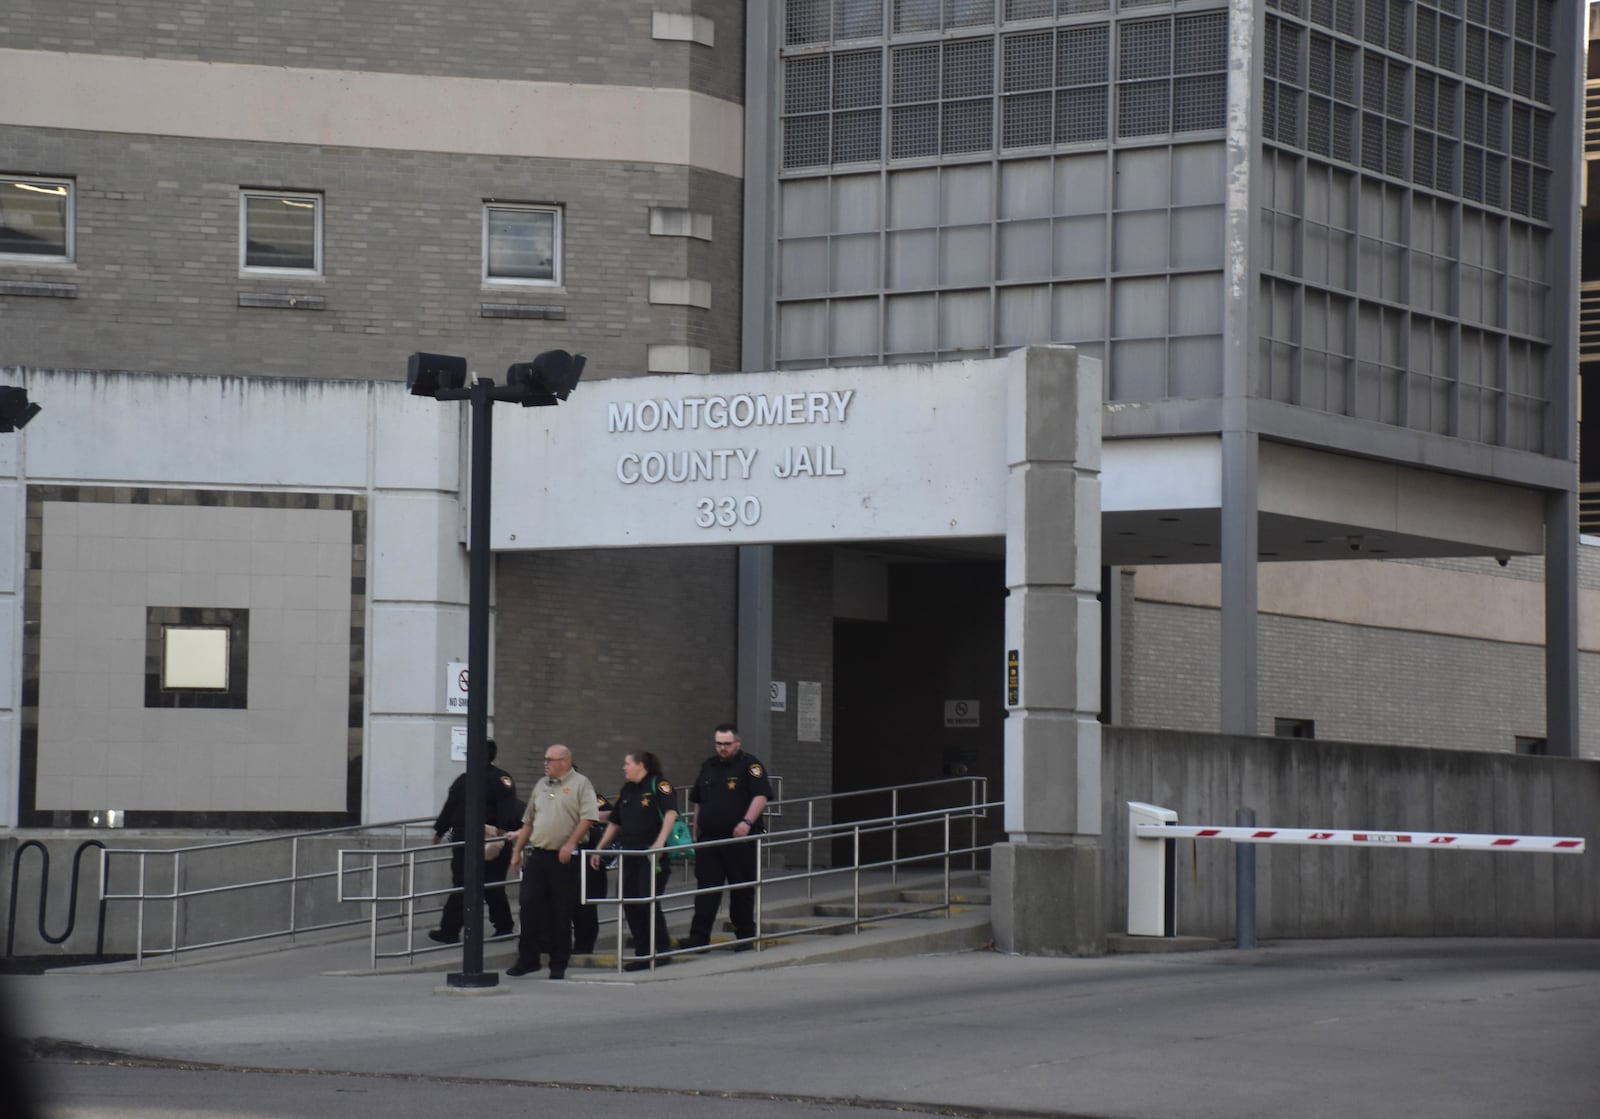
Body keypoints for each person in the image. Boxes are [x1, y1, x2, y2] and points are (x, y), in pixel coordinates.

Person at [507, 743, 598, 979]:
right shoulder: (541, 784)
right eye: (545, 759)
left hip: (563, 857)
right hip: (538, 854)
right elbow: (528, 821)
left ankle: (558, 963)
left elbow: (588, 817)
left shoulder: (581, 784)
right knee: (528, 906)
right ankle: (528, 959)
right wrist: (517, 850)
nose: (545, 763)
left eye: (550, 759)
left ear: (564, 762)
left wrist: (570, 844)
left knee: (561, 911)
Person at [683, 723, 772, 952]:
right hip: (710, 839)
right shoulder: (708, 765)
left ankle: (744, 937)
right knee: (706, 892)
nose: (722, 748)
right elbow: (699, 800)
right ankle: (699, 939)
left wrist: (747, 822)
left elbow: (760, 796)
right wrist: (696, 829)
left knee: (741, 890)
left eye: (727, 744)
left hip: (739, 841)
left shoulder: (749, 765)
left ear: (737, 743)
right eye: (719, 743)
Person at [591, 751, 678, 971]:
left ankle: (661, 949)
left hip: (650, 855)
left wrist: (659, 843)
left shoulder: (659, 785)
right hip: (628, 854)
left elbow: (670, 814)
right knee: (629, 902)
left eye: (627, 763)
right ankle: (642, 952)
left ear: (641, 765)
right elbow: (615, 822)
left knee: (647, 901)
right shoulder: (627, 789)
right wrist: (599, 848)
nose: (624, 767)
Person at [428, 738, 519, 944]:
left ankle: (504, 927)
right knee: (462, 885)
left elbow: (507, 806)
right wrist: (439, 831)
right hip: (464, 841)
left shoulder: (499, 778)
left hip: (490, 840)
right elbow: (451, 807)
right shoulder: (464, 779)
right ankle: (449, 930)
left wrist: (503, 831)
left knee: (492, 884)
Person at [571, 785, 612, 955]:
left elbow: (612, 816)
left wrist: (584, 819)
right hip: (560, 857)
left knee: (584, 906)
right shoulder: (550, 794)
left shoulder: (591, 796)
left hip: (586, 857)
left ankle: (583, 946)